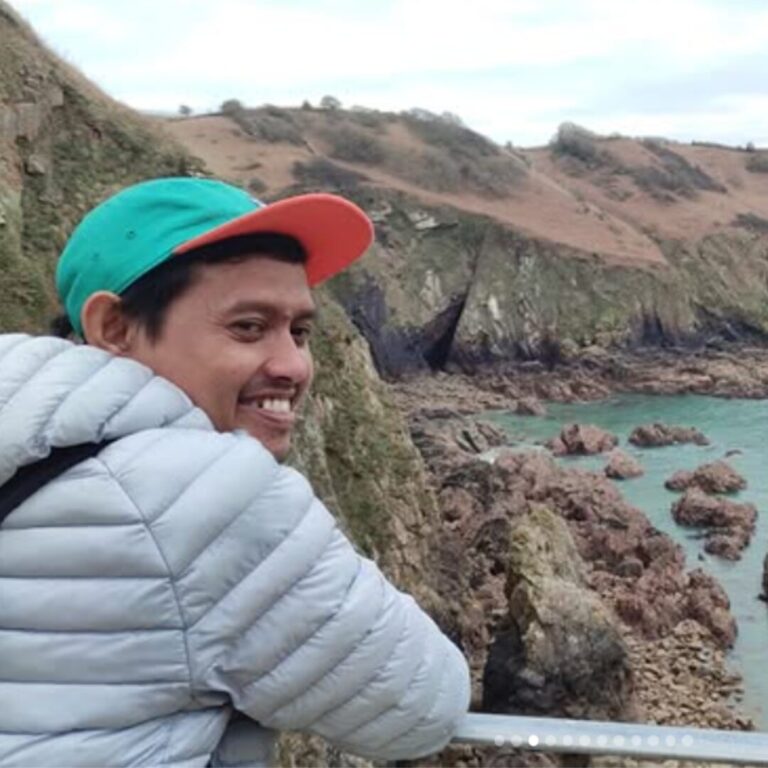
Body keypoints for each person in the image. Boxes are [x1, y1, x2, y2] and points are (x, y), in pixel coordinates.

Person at [0, 178, 470, 767]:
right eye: (249, 327)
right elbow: (424, 708)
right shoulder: (203, 498)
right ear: (115, 329)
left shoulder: (22, 433)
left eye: (300, 332)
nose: (293, 364)